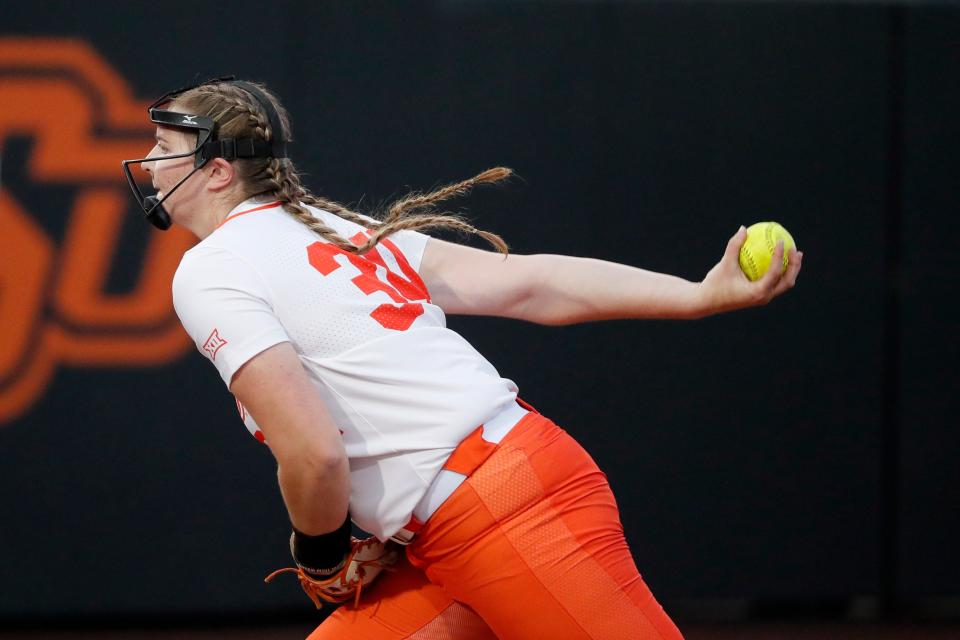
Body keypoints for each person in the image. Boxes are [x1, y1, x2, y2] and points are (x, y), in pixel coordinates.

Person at [124, 78, 802, 640]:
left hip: (506, 514)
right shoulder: (337, 230)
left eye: (163, 146)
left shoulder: (211, 269)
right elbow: (533, 283)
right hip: (467, 516)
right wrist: (693, 296)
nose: (149, 162)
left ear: (216, 171)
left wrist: (321, 555)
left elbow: (313, 453)